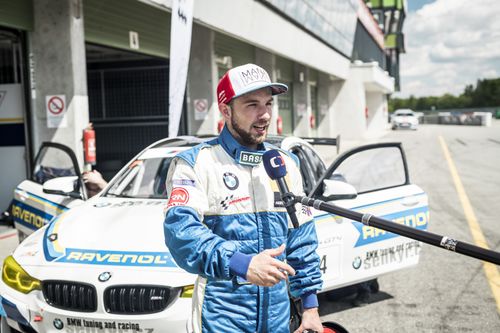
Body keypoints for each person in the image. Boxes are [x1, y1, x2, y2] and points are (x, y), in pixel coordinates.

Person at [163, 63, 323, 333]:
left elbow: (301, 239)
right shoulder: (196, 163)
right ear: (226, 111)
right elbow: (181, 234)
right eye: (252, 105)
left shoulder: (285, 164)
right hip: (221, 318)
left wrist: (310, 307)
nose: (264, 115)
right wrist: (243, 264)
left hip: (278, 319)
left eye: (268, 104)